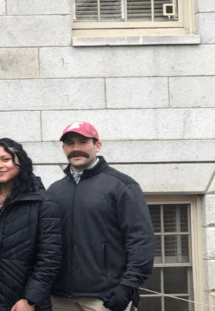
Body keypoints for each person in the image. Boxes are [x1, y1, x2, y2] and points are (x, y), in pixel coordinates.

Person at [48, 122, 154, 311]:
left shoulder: (122, 186)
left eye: (83, 142)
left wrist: (128, 287)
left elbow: (140, 241)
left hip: (106, 298)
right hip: (59, 298)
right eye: (70, 143)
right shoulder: (54, 191)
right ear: (64, 148)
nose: (76, 148)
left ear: (97, 145)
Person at [0, 139, 62, 311]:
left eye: (6, 159)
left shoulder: (42, 202)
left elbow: (50, 258)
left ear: (20, 161)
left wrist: (30, 299)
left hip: (20, 296)